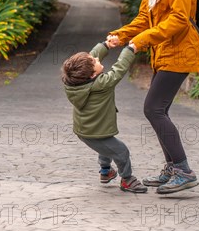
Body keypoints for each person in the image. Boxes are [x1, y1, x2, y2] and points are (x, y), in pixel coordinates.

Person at [107, 0, 199, 194]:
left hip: (180, 52)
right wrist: (121, 36)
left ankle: (183, 170)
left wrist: (141, 41)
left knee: (153, 109)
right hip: (164, 54)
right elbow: (143, 19)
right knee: (158, 109)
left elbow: (179, 20)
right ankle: (173, 168)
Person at [61, 39, 147, 194]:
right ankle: (127, 180)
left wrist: (106, 45)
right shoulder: (101, 84)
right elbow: (119, 69)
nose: (96, 58)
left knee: (106, 146)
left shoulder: (73, 81)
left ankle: (106, 172)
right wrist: (129, 50)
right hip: (94, 132)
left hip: (89, 130)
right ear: (93, 74)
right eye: (95, 62)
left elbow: (89, 57)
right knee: (121, 152)